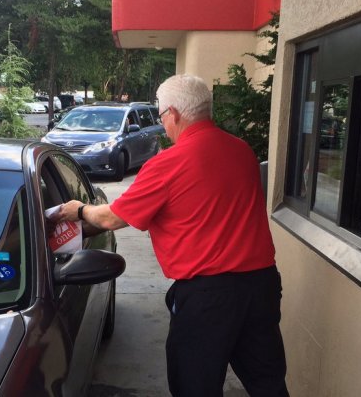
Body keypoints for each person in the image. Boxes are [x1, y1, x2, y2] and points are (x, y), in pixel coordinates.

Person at [50, 74, 288, 397]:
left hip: (209, 298)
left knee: (194, 387)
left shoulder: (169, 164)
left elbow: (112, 218)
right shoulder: (242, 151)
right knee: (268, 384)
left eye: (162, 118)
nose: (163, 126)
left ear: (173, 114)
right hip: (261, 286)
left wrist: (78, 211)